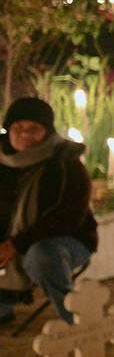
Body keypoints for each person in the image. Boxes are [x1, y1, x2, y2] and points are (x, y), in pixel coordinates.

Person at [0, 97, 97, 325]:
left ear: (47, 131)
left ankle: (75, 319)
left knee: (41, 255)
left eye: (34, 128)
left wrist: (16, 243)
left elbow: (68, 217)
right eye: (18, 128)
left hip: (65, 239)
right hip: (11, 240)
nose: (25, 134)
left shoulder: (65, 162)